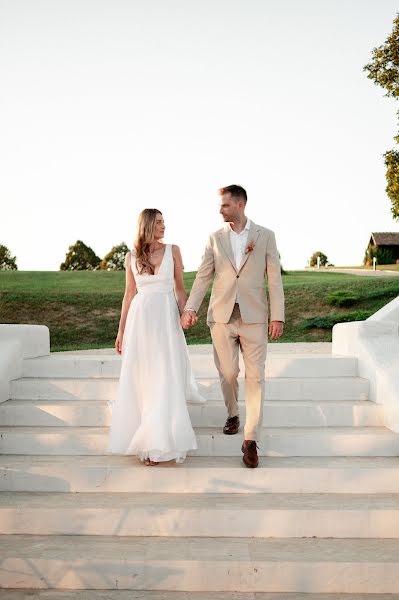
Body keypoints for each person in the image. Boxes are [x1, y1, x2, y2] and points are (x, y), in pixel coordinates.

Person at [181, 185, 285, 468]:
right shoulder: (214, 239)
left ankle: (250, 440)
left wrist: (278, 315)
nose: (220, 210)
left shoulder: (266, 236)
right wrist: (190, 308)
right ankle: (232, 413)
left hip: (255, 317)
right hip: (221, 316)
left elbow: (274, 279)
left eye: (225, 205)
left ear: (240, 205)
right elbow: (203, 277)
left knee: (256, 379)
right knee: (228, 373)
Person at [108, 208, 204, 466]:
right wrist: (121, 330)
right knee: (144, 379)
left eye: (164, 222)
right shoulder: (131, 256)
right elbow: (129, 294)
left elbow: (180, 289)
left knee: (164, 375)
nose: (164, 226)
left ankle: (163, 440)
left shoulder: (173, 250)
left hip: (165, 319)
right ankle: (148, 441)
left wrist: (186, 313)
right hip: (141, 321)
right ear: (148, 225)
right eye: (159, 222)